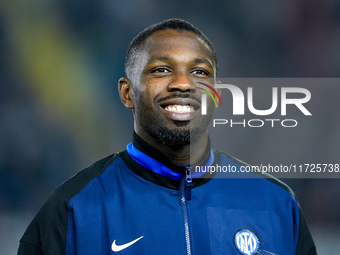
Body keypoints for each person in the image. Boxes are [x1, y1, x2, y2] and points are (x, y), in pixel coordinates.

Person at [18, 18, 317, 255]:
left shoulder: (277, 204)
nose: (184, 84)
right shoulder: (73, 209)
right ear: (126, 93)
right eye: (162, 70)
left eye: (200, 72)